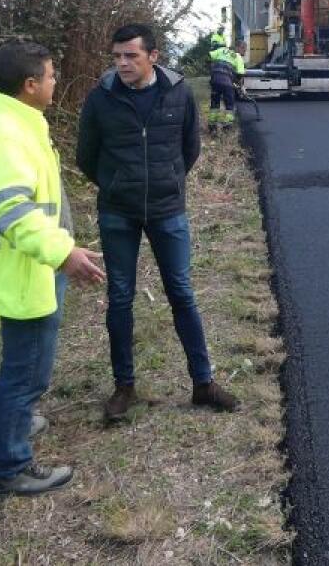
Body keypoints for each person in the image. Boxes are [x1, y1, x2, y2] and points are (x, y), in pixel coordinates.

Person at [0, 40, 106, 497]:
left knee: (21, 363)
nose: (56, 83)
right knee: (28, 369)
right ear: (30, 85)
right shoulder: (5, 133)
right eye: (51, 76)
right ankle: (10, 465)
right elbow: (11, 211)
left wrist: (63, 243)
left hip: (34, 260)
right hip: (25, 267)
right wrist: (64, 254)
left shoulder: (16, 121)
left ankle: (6, 429)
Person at [76, 23, 239, 422]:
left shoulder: (178, 93)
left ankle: (203, 384)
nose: (122, 64)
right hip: (118, 212)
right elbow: (86, 156)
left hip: (168, 211)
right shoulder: (101, 98)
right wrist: (117, 184)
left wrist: (168, 180)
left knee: (182, 293)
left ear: (154, 56)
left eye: (130, 55)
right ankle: (124, 387)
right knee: (120, 297)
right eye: (116, 56)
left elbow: (190, 147)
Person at [207, 32, 242, 132]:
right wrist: (237, 84)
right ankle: (227, 127)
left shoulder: (220, 50)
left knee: (214, 104)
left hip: (215, 81)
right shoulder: (237, 57)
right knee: (229, 105)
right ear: (238, 48)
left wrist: (211, 69)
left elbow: (208, 57)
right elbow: (240, 73)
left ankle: (212, 126)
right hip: (227, 83)